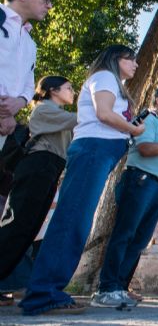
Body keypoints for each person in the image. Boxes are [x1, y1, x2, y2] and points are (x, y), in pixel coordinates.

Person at [18, 45, 145, 316]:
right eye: (130, 59)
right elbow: (104, 114)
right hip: (94, 149)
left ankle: (48, 290)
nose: (135, 64)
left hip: (99, 152)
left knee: (77, 219)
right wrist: (133, 129)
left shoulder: (112, 82)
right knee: (72, 219)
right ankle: (44, 294)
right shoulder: (105, 76)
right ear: (115, 59)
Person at [91, 86, 158, 308]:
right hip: (141, 182)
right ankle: (106, 288)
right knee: (125, 233)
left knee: (139, 239)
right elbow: (146, 149)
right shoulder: (149, 119)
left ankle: (119, 287)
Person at [0, 76, 77, 306]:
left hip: (49, 168)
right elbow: (79, 119)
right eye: (69, 88)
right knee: (16, 226)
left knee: (28, 229)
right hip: (38, 166)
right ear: (53, 90)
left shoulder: (57, 113)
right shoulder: (45, 109)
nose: (73, 92)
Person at [0, 0, 51, 149]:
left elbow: (29, 85)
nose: (49, 6)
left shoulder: (30, 43)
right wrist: (4, 112)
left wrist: (20, 102)